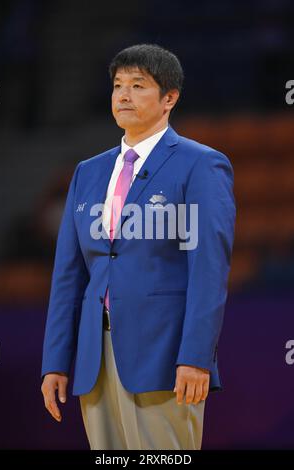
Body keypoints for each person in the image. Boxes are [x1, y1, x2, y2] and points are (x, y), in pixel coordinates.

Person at [41, 44, 236, 450]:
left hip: (164, 354)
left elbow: (209, 270)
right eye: (117, 86)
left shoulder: (201, 164)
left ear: (169, 98)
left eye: (137, 85)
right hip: (95, 358)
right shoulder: (88, 171)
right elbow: (68, 276)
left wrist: (197, 356)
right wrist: (56, 361)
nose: (123, 96)